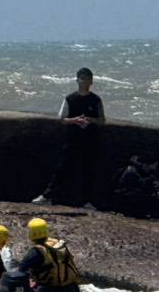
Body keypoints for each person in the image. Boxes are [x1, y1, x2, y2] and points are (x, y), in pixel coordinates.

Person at [33, 67, 105, 207]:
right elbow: (61, 119)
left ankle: (87, 201)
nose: (85, 81)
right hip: (73, 140)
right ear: (77, 80)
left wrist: (90, 119)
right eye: (82, 78)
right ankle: (47, 196)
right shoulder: (70, 99)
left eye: (88, 79)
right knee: (63, 168)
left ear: (92, 81)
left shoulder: (96, 100)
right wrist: (75, 120)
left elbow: (102, 120)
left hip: (91, 140)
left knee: (88, 171)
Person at [0, 216, 81, 292]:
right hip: (71, 290)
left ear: (31, 234)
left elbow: (20, 273)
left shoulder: (36, 252)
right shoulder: (59, 245)